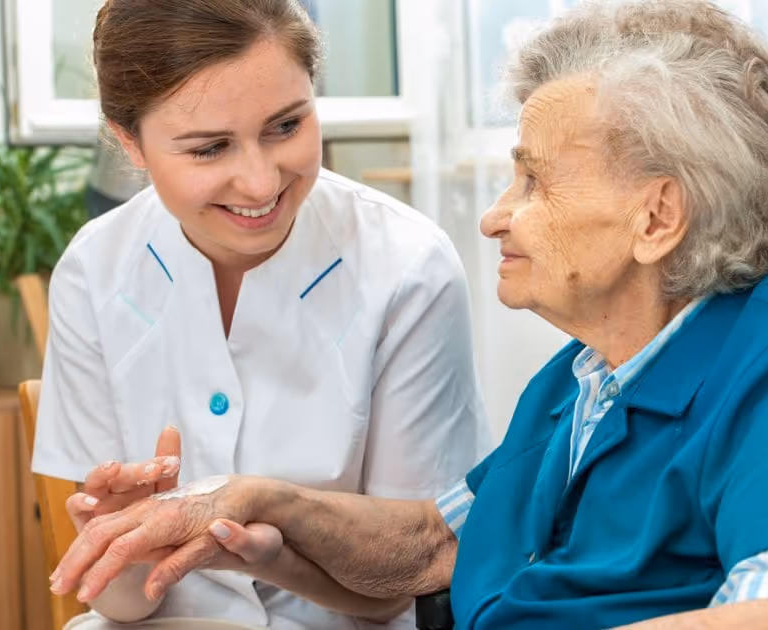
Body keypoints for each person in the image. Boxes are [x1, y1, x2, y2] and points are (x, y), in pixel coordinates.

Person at [48, 1, 768, 628]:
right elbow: (432, 546)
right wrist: (241, 505)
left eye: (532, 179)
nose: (494, 215)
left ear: (656, 218)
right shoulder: (585, 378)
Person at [32, 0, 491, 628]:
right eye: (209, 148)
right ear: (129, 142)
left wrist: (278, 553)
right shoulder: (96, 269)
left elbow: (408, 579)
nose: (259, 182)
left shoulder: (408, 267)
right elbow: (117, 600)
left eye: (285, 126)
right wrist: (124, 548)